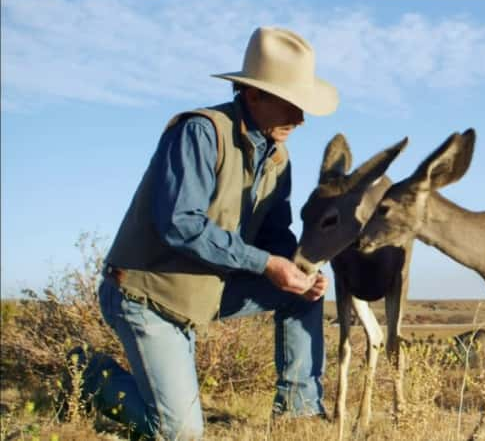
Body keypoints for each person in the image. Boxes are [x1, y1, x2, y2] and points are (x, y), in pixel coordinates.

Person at [69, 27, 338, 440]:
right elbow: (181, 224)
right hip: (146, 295)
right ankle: (89, 375)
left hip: (205, 290)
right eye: (291, 104)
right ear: (253, 95)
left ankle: (298, 413)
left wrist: (298, 270)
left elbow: (276, 232)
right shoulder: (199, 132)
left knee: (303, 291)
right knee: (180, 434)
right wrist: (267, 264)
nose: (300, 119)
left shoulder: (278, 157)